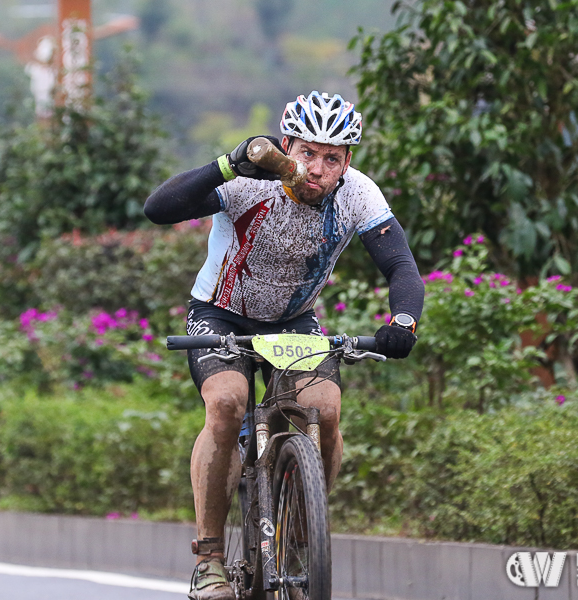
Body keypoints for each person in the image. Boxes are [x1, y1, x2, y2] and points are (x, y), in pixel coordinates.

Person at [144, 91, 424, 600]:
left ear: (347, 163)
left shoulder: (358, 194)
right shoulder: (250, 182)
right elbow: (158, 208)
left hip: (291, 323)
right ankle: (209, 559)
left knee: (326, 409)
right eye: (307, 153)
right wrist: (229, 164)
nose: (316, 169)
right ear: (286, 144)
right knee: (227, 405)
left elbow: (401, 266)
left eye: (332, 159)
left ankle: (300, 531)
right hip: (219, 315)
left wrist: (403, 320)